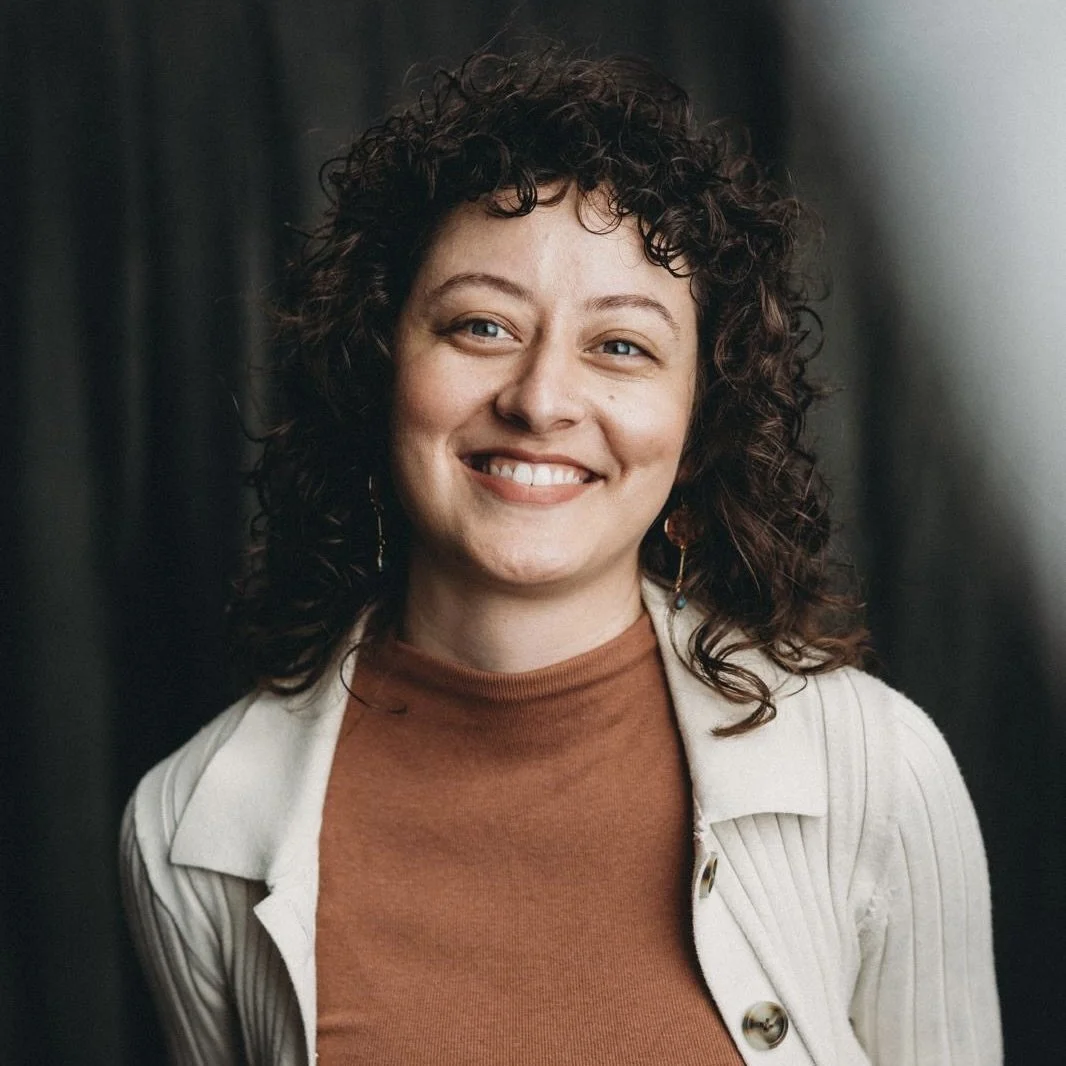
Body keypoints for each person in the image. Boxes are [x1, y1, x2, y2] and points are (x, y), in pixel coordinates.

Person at [119, 47, 1001, 1065]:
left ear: (695, 421)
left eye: (620, 345)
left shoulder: (873, 769)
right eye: (481, 325)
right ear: (378, 364)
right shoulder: (189, 834)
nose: (540, 399)